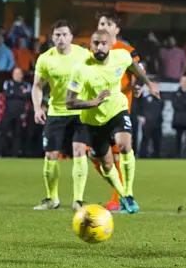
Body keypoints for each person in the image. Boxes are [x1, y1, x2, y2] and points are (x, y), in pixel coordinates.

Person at [66, 30, 159, 214]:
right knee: (107, 164)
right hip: (93, 119)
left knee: (125, 146)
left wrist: (147, 83)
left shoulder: (121, 56)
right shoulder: (81, 68)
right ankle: (123, 195)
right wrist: (92, 103)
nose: (99, 47)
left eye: (103, 43)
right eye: (95, 43)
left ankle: (129, 194)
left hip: (117, 109)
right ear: (90, 45)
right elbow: (69, 102)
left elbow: (134, 67)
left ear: (110, 45)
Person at [32, 20, 91, 211]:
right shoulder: (45, 59)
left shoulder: (83, 55)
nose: (61, 38)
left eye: (65, 34)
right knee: (51, 155)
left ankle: (78, 200)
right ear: (52, 37)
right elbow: (38, 86)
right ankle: (52, 199)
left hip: (80, 111)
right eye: (57, 35)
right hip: (56, 111)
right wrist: (37, 107)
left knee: (79, 151)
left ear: (71, 37)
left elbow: (94, 77)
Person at [92, 11, 145, 212]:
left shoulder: (127, 51)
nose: (104, 26)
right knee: (94, 156)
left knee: (117, 155)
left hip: (118, 110)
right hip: (94, 112)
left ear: (116, 30)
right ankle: (121, 192)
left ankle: (119, 198)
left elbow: (138, 73)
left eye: (108, 24)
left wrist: (137, 86)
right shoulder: (93, 51)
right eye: (101, 23)